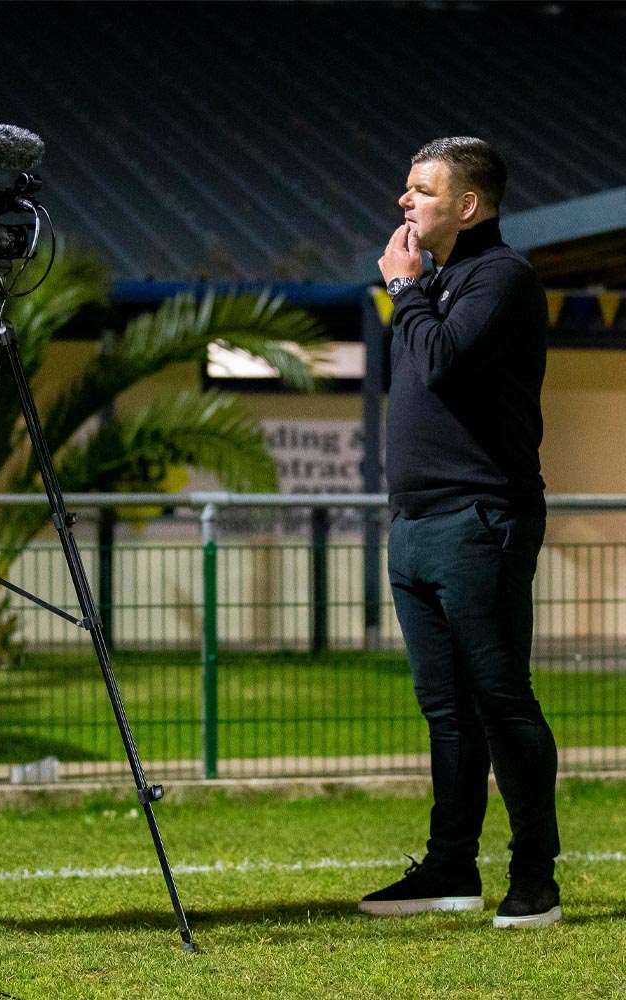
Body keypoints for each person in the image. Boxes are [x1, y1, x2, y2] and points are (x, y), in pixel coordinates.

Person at [359, 137, 561, 929]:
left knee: (502, 699)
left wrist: (404, 290)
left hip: (482, 521)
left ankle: (535, 878)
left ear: (467, 205)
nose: (403, 203)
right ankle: (450, 869)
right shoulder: (438, 282)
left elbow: (442, 362)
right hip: (414, 526)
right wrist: (414, 290)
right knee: (446, 711)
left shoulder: (499, 278)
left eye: (420, 190)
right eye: (406, 188)